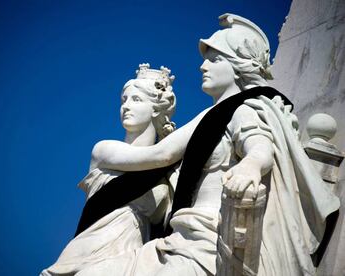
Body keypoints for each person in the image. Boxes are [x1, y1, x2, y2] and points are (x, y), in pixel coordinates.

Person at [76, 14, 340, 276]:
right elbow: (165, 156)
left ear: (239, 65)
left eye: (215, 59)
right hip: (179, 240)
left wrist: (250, 166)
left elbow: (260, 148)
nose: (203, 67)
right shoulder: (210, 120)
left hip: (211, 242)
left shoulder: (247, 109)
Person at [40, 64, 178, 276]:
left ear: (156, 109)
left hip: (136, 259)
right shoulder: (104, 150)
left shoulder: (169, 175)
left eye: (136, 99)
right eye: (124, 100)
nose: (126, 106)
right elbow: (162, 155)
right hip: (94, 249)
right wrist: (219, 111)